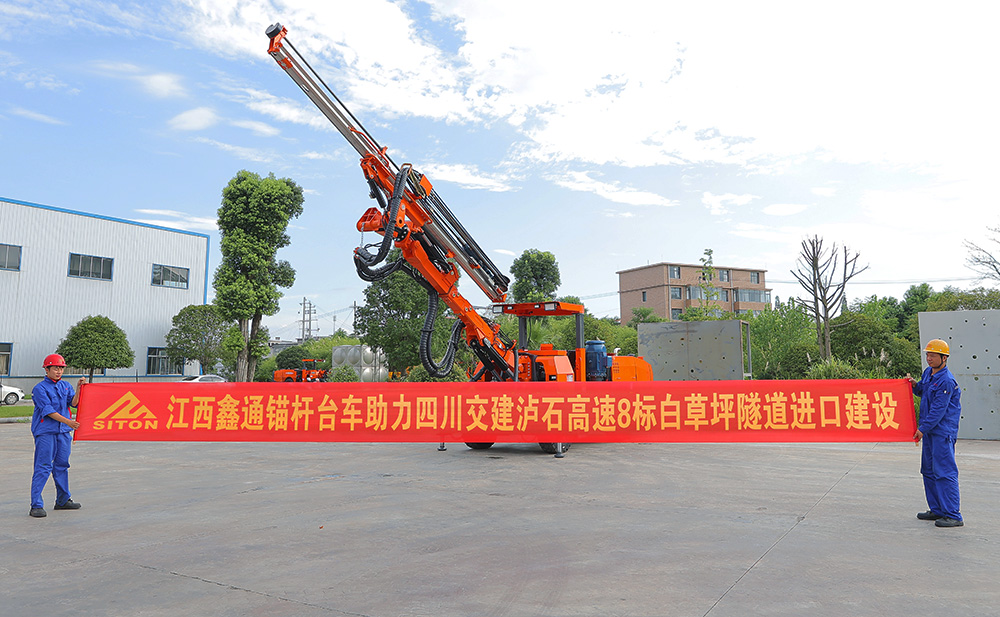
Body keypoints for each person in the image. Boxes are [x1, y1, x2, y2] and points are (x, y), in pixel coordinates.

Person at [906, 338, 963, 528]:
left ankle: (953, 515)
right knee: (928, 471)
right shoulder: (929, 373)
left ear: (944, 358)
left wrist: (922, 429)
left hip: (942, 433)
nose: (929, 358)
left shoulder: (946, 381)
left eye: (933, 355)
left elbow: (938, 410)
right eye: (928, 355)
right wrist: (915, 385)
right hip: (930, 432)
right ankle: (937, 509)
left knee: (944, 472)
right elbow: (923, 390)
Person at [29, 353, 86, 518]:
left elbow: (73, 403)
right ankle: (36, 505)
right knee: (43, 466)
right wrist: (69, 422)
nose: (59, 371)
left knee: (62, 465)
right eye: (55, 368)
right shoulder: (39, 389)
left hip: (63, 432)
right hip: (46, 432)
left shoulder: (65, 386)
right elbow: (48, 411)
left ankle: (63, 500)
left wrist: (79, 388)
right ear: (46, 369)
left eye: (61, 368)